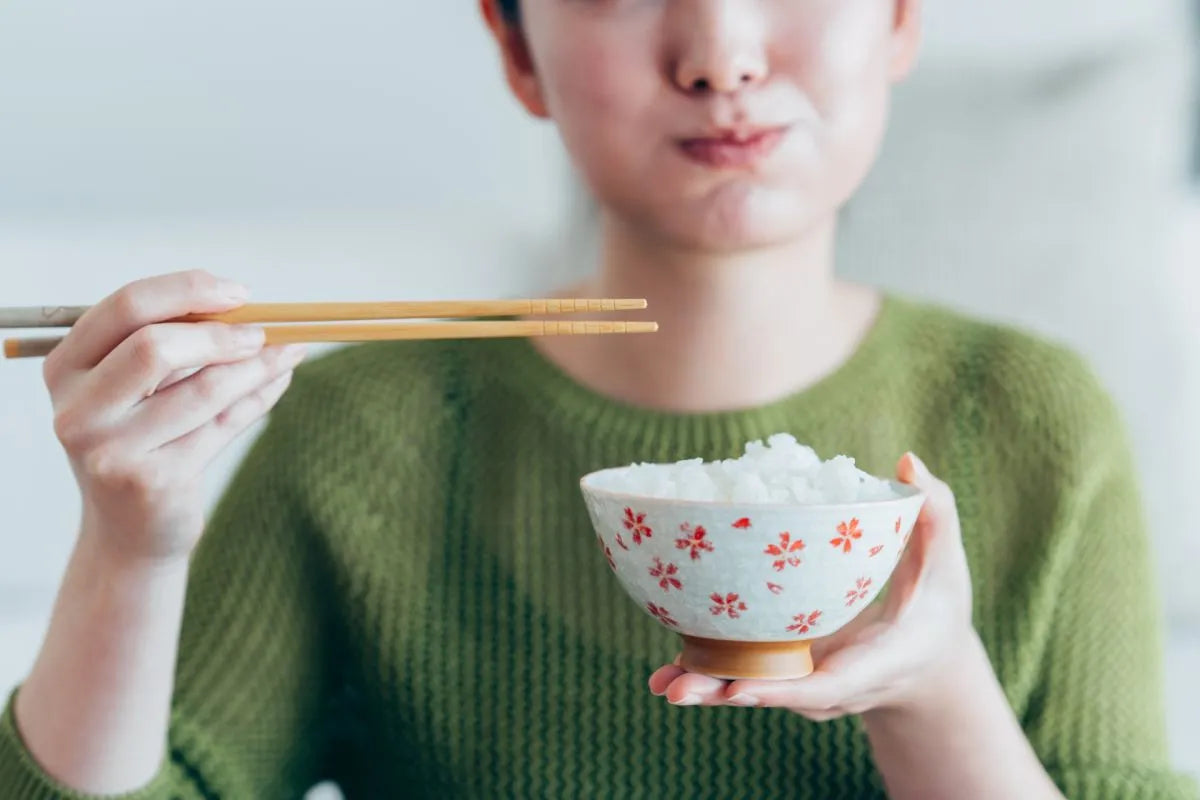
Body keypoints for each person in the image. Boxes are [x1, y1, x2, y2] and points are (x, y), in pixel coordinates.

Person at [1, 0, 1195, 797]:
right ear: (517, 50)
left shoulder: (1036, 416)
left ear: (897, 16)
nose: (719, 52)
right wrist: (130, 542)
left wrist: (930, 687)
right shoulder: (356, 433)